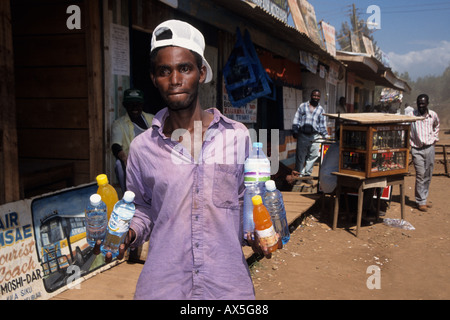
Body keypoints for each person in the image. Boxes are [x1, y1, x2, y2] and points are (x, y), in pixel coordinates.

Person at [95, 19, 276, 300]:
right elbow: (142, 209)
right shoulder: (142, 149)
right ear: (154, 78)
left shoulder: (236, 137)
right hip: (164, 287)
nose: (175, 79)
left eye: (185, 68)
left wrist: (257, 233)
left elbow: (246, 202)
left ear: (201, 73)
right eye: (164, 71)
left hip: (226, 288)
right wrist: (126, 235)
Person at [111, 89, 154, 192]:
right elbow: (115, 146)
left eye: (138, 104)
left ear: (142, 105)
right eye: (131, 104)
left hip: (152, 162)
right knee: (118, 164)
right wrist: (125, 158)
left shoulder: (152, 119)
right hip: (133, 164)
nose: (135, 108)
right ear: (125, 105)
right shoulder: (119, 124)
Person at [406, 94, 440, 212]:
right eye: (419, 103)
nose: (421, 105)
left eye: (423, 103)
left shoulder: (433, 115)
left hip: (429, 147)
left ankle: (423, 198)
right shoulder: (411, 115)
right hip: (417, 149)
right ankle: (420, 201)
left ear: (427, 103)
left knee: (428, 174)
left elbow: (437, 126)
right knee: (420, 174)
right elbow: (404, 126)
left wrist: (435, 138)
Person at [292, 89, 329, 177]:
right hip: (303, 135)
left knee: (313, 156)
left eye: (318, 96)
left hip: (315, 136)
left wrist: (326, 136)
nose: (316, 98)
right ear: (311, 96)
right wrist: (295, 130)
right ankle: (298, 176)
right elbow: (296, 119)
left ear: (319, 98)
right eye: (314, 96)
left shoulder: (321, 110)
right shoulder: (303, 106)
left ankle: (307, 175)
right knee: (300, 157)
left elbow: (322, 125)